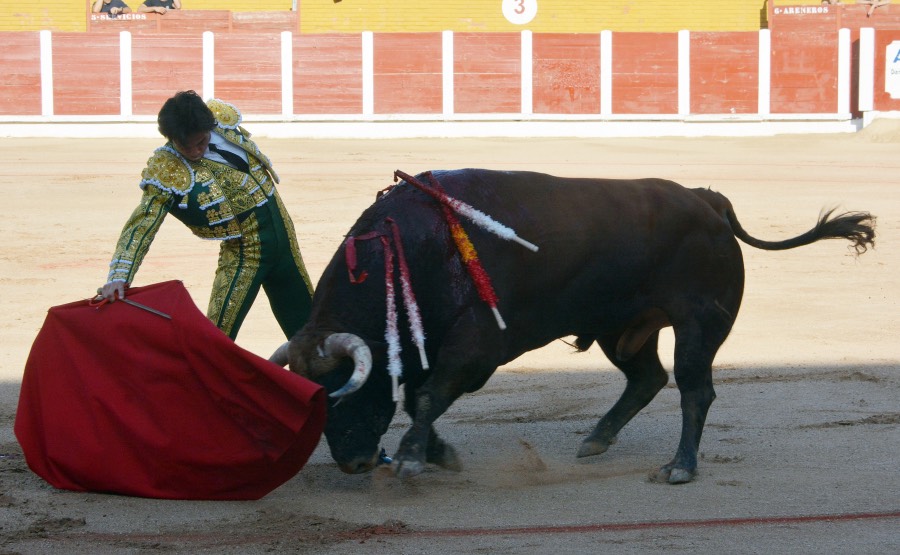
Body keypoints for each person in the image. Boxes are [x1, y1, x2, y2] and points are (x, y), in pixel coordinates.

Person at [99, 90, 314, 340]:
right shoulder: (167, 170)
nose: (195, 152)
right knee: (217, 337)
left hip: (286, 240)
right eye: (185, 146)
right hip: (247, 253)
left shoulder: (224, 124)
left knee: (310, 326)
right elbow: (142, 224)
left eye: (201, 142)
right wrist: (119, 277)